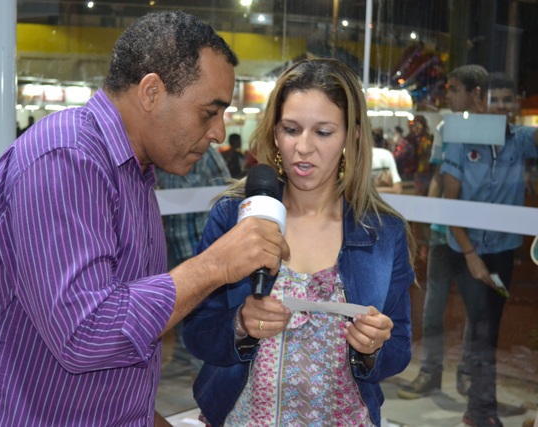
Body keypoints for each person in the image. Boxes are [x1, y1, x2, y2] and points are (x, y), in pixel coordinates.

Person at [0, 11, 289, 427]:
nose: (218, 131)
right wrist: (214, 265)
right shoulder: (66, 157)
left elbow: (120, 345)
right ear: (152, 92)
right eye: (209, 112)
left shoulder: (132, 173)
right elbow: (85, 333)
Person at [183, 58, 416, 427]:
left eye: (323, 132)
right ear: (275, 133)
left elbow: (399, 347)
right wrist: (239, 324)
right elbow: (196, 331)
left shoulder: (383, 234)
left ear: (352, 135)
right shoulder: (234, 216)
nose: (303, 147)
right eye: (291, 129)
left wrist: (373, 348)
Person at [441, 73, 537, 426]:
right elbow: (450, 206)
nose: (501, 106)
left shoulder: (521, 139)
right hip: (466, 249)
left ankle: (475, 388)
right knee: (483, 325)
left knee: (488, 325)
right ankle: (482, 411)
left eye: (508, 100)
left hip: (502, 249)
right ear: (481, 100)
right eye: (495, 99)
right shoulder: (461, 137)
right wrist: (471, 256)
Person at [398, 64, 488, 400]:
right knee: (433, 308)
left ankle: (468, 375)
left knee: (476, 311)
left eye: (454, 89)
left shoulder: (491, 129)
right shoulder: (444, 128)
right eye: (448, 88)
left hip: (477, 233)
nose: (448, 95)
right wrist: (429, 217)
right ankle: (430, 371)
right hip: (443, 233)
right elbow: (438, 175)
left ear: (473, 93)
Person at [156, 145, 232, 368]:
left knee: (202, 312)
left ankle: (199, 365)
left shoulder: (206, 154)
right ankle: (187, 360)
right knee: (176, 310)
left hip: (200, 246)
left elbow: (227, 194)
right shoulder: (161, 154)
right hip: (172, 247)